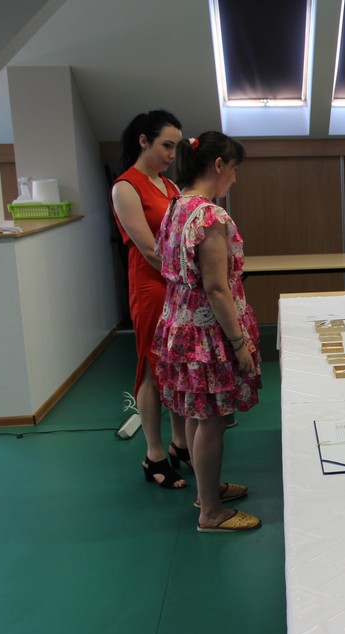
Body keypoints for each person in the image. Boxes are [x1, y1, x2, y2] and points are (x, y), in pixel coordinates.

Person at [152, 131, 262, 533]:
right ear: (218, 166)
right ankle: (211, 513)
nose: (234, 178)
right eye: (233, 169)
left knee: (196, 415)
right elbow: (216, 289)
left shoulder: (175, 207)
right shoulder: (209, 217)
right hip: (206, 334)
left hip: (179, 325)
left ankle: (206, 491)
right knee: (213, 421)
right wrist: (239, 344)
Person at [111, 110, 188, 490]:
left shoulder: (169, 186)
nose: (172, 155)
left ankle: (180, 443)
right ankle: (154, 454)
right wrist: (189, 274)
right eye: (166, 146)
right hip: (151, 286)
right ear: (144, 141)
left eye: (176, 147)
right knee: (152, 367)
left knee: (177, 365)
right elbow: (149, 249)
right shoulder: (126, 187)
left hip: (176, 285)